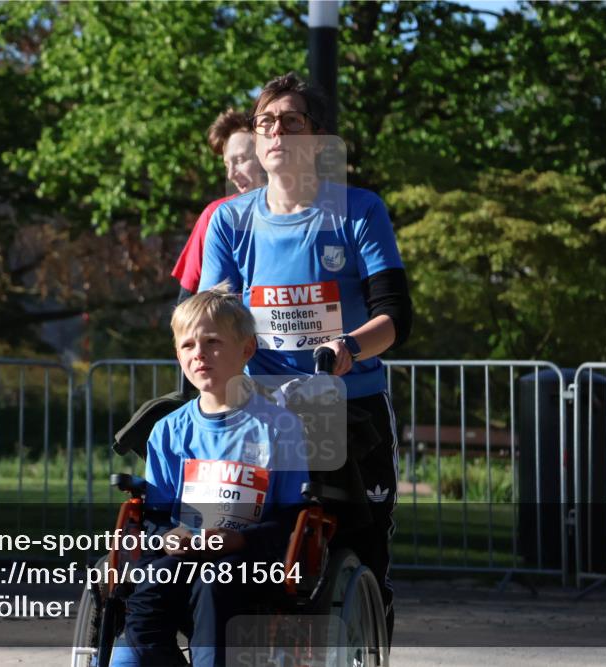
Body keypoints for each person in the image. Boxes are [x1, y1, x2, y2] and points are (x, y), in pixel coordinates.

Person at [198, 72, 413, 640]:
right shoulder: (230, 220)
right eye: (265, 122)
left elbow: (396, 316)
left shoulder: (359, 211)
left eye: (291, 122)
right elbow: (211, 314)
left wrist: (346, 347)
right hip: (260, 412)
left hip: (348, 407)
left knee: (359, 552)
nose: (275, 133)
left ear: (317, 140)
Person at [109, 285, 309, 667]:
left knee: (216, 582)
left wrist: (237, 541)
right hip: (184, 553)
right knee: (149, 590)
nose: (199, 354)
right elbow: (155, 514)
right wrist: (169, 538)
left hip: (248, 557)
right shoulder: (168, 431)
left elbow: (290, 519)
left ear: (247, 350)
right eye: (187, 346)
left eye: (213, 342)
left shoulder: (280, 427)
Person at [171, 109, 268, 302]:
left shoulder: (314, 210)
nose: (231, 174)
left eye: (240, 160)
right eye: (227, 165)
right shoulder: (215, 215)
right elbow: (186, 304)